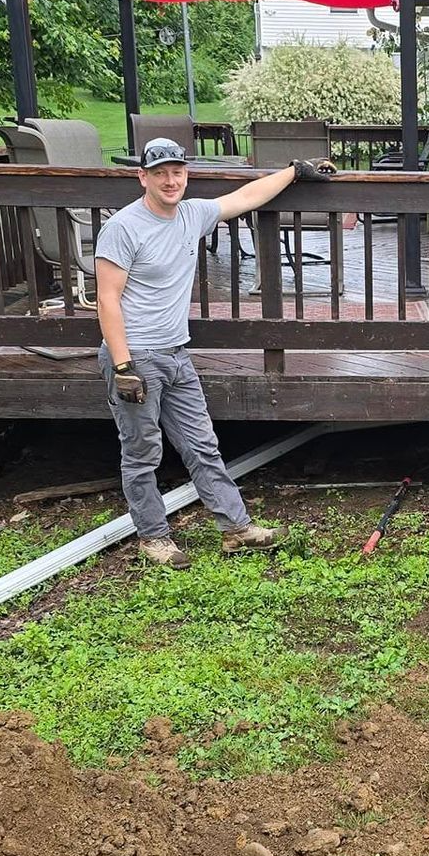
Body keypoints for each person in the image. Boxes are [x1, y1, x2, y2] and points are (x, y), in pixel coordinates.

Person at [95, 137, 333, 568]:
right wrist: (122, 365)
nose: (171, 181)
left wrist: (296, 170)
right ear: (142, 177)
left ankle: (236, 529)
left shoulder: (191, 215)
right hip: (136, 358)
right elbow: (107, 299)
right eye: (161, 173)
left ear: (186, 175)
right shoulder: (123, 228)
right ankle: (154, 538)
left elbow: (245, 197)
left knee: (202, 445)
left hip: (175, 353)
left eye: (177, 172)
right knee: (141, 451)